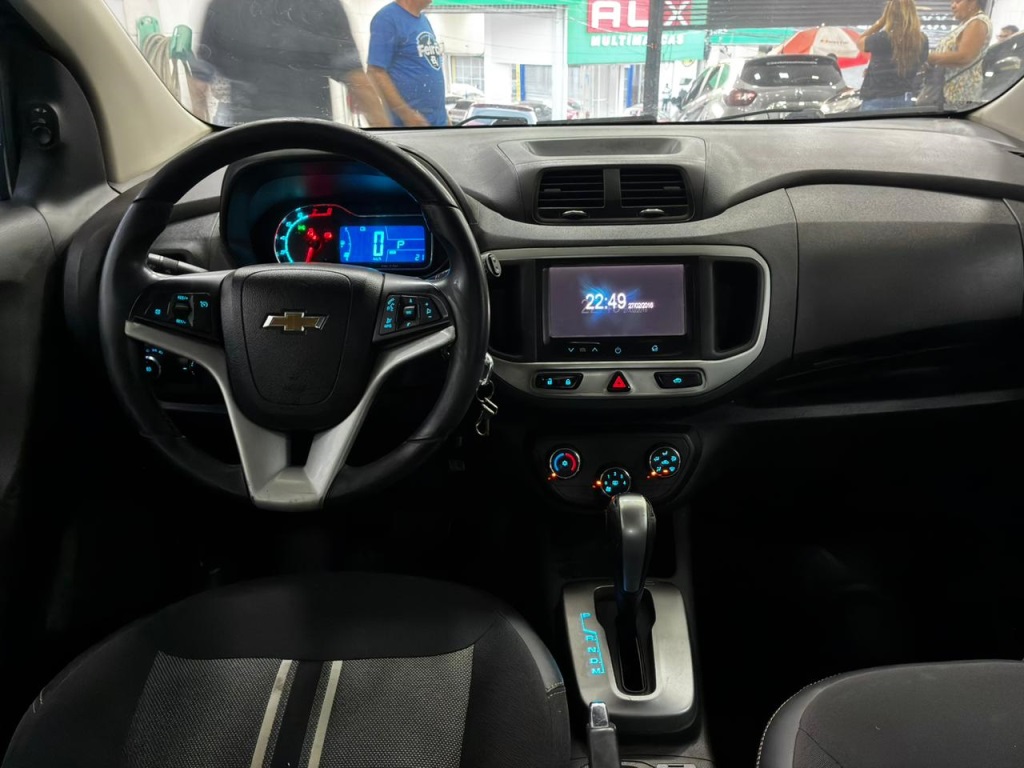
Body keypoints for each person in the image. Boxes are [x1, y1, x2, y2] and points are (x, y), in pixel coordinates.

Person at [200, 0, 389, 127]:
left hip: (246, 140)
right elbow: (358, 82)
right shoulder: (321, 4)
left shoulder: (223, 5)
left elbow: (198, 85)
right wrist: (387, 141)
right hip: (308, 139)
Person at [368, 0, 448, 127]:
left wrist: (444, 116)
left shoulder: (424, 20)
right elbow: (376, 72)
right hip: (410, 126)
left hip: (437, 123)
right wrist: (406, 114)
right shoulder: (387, 18)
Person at [856, 0, 930, 111]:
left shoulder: (883, 38)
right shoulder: (922, 40)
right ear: (913, 13)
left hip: (876, 99)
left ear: (889, 15)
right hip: (905, 99)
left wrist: (880, 23)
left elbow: (860, 43)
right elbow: (920, 64)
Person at [925, 0, 993, 108]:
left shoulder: (978, 22)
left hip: (959, 93)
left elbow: (964, 57)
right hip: (948, 90)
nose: (952, 6)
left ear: (972, 2)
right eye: (952, 2)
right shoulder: (966, 23)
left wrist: (928, 57)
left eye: (957, 1)